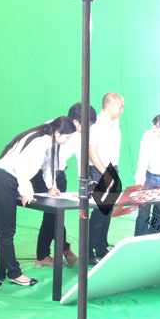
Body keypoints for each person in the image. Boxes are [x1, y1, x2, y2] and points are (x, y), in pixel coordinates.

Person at [0, 117, 76, 287]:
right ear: (57, 132)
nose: (67, 141)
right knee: (6, 232)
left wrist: (51, 186)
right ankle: (14, 274)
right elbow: (22, 168)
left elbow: (47, 167)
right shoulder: (40, 143)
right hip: (4, 181)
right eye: (67, 137)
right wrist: (27, 191)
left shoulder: (43, 136)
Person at [32, 103, 97, 268]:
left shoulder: (80, 136)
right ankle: (64, 250)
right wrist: (51, 185)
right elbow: (48, 162)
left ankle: (42, 256)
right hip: (42, 176)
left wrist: (84, 184)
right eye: (87, 124)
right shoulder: (54, 127)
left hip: (60, 176)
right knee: (52, 215)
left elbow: (81, 159)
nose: (88, 128)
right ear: (76, 122)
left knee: (52, 215)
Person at [88, 92, 124, 264]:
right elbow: (91, 151)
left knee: (107, 212)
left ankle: (101, 247)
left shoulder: (115, 122)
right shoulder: (97, 124)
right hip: (99, 170)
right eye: (120, 107)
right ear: (109, 106)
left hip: (112, 169)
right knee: (98, 212)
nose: (122, 110)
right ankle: (88, 252)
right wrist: (104, 172)